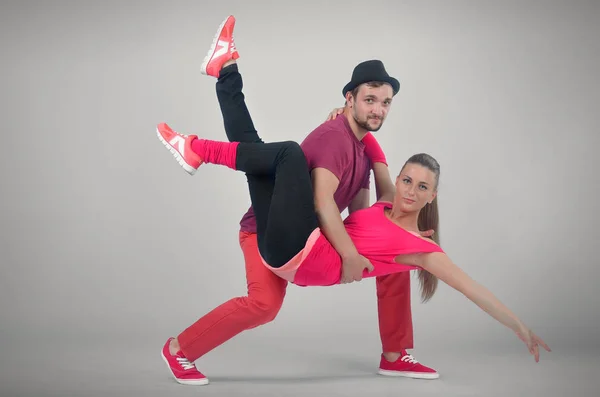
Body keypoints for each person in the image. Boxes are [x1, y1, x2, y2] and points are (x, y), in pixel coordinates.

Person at [156, 68, 551, 372]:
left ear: (433, 196)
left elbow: (472, 288)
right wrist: (347, 117)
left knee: (286, 155)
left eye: (423, 188)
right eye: (407, 180)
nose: (411, 191)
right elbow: (370, 149)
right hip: (284, 239)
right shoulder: (377, 206)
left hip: (298, 248)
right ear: (395, 180)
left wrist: (518, 325)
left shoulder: (421, 249)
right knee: (261, 157)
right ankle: (225, 72)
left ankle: (196, 149)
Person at [158, 15, 432, 386]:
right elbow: (323, 202)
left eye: (385, 102)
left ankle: (225, 69)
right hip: (267, 231)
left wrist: (387, 242)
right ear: (349, 99)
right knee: (264, 302)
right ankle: (178, 349)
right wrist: (351, 256)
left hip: (301, 233)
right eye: (369, 100)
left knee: (249, 144)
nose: (378, 110)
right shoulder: (335, 138)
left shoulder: (360, 146)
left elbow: (362, 213)